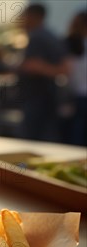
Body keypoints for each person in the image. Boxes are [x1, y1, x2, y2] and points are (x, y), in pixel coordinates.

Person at [17, 4, 70, 141]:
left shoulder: (37, 37)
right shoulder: (51, 36)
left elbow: (32, 66)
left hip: (36, 97)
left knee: (30, 140)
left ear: (33, 16)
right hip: (48, 97)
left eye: (25, 16)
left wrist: (33, 67)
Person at [64, 11, 87, 146]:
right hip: (79, 95)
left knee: (76, 134)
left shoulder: (70, 44)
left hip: (77, 95)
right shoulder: (74, 44)